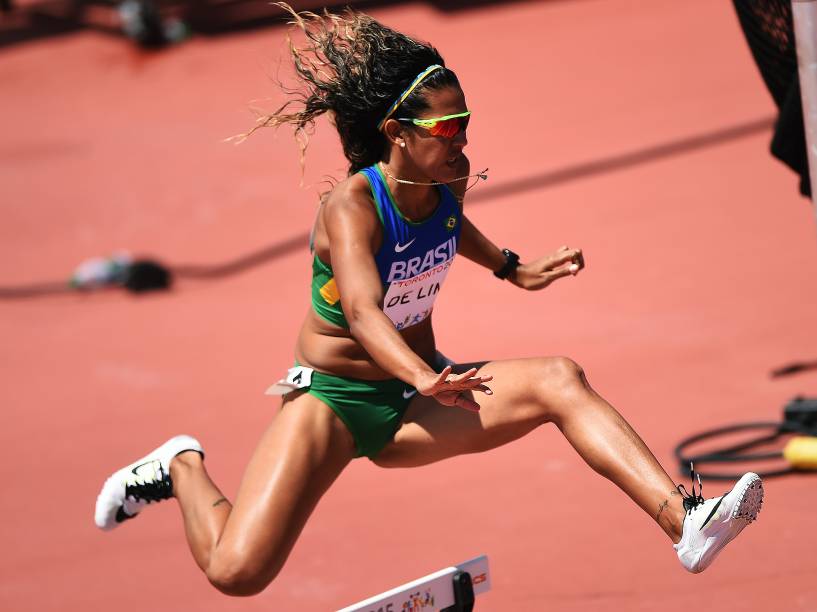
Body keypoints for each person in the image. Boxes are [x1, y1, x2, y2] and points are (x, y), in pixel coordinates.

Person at [94, 4, 763, 597]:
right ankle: (179, 463)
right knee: (236, 574)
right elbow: (361, 311)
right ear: (397, 131)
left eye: (464, 122)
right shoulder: (350, 207)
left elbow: (447, 226)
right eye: (447, 128)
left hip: (415, 400)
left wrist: (512, 268)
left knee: (561, 378)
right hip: (333, 401)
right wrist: (423, 375)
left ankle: (684, 523)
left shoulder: (451, 180)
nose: (462, 141)